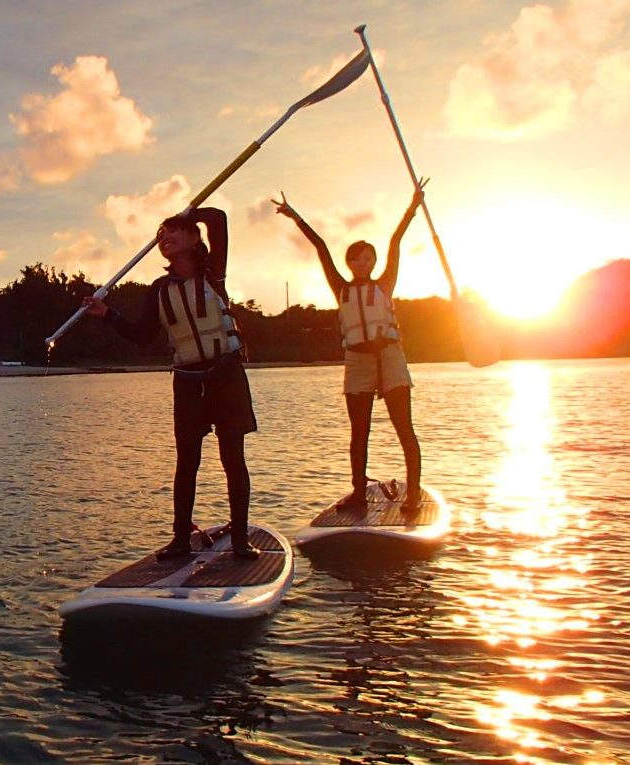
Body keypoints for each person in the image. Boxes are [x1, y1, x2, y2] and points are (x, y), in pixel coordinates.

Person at [82, 207, 262, 560]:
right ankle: (181, 539)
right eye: (162, 233)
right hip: (188, 381)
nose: (166, 236)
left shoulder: (214, 273)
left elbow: (220, 220)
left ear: (194, 238)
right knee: (187, 461)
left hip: (226, 375)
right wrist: (108, 315)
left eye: (174, 231)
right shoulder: (158, 290)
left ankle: (240, 539)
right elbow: (142, 336)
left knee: (233, 459)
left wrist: (191, 212)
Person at [272, 186, 425, 511]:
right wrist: (293, 214)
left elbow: (396, 242)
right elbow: (320, 246)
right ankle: (358, 494)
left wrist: (412, 207)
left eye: (368, 258)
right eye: (357, 258)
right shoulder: (340, 286)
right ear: (350, 262)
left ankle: (413, 494)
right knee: (359, 433)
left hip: (390, 358)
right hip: (357, 362)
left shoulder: (384, 284)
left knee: (403, 428)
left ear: (374, 262)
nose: (363, 262)